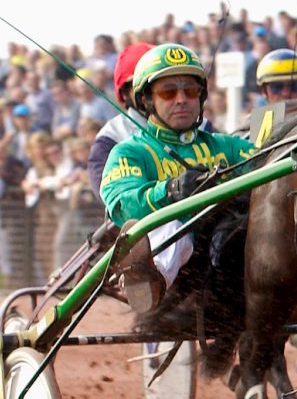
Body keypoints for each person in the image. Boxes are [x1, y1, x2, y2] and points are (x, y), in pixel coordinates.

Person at [100, 44, 254, 312]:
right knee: (171, 224)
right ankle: (150, 280)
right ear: (147, 101)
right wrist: (170, 191)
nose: (181, 99)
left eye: (190, 90)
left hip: (230, 253)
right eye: (168, 92)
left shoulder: (229, 146)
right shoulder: (129, 152)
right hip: (177, 261)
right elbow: (122, 206)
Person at [87, 42, 153, 195]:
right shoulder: (111, 136)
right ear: (124, 93)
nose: (152, 93)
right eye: (142, 86)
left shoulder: (201, 126)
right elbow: (108, 191)